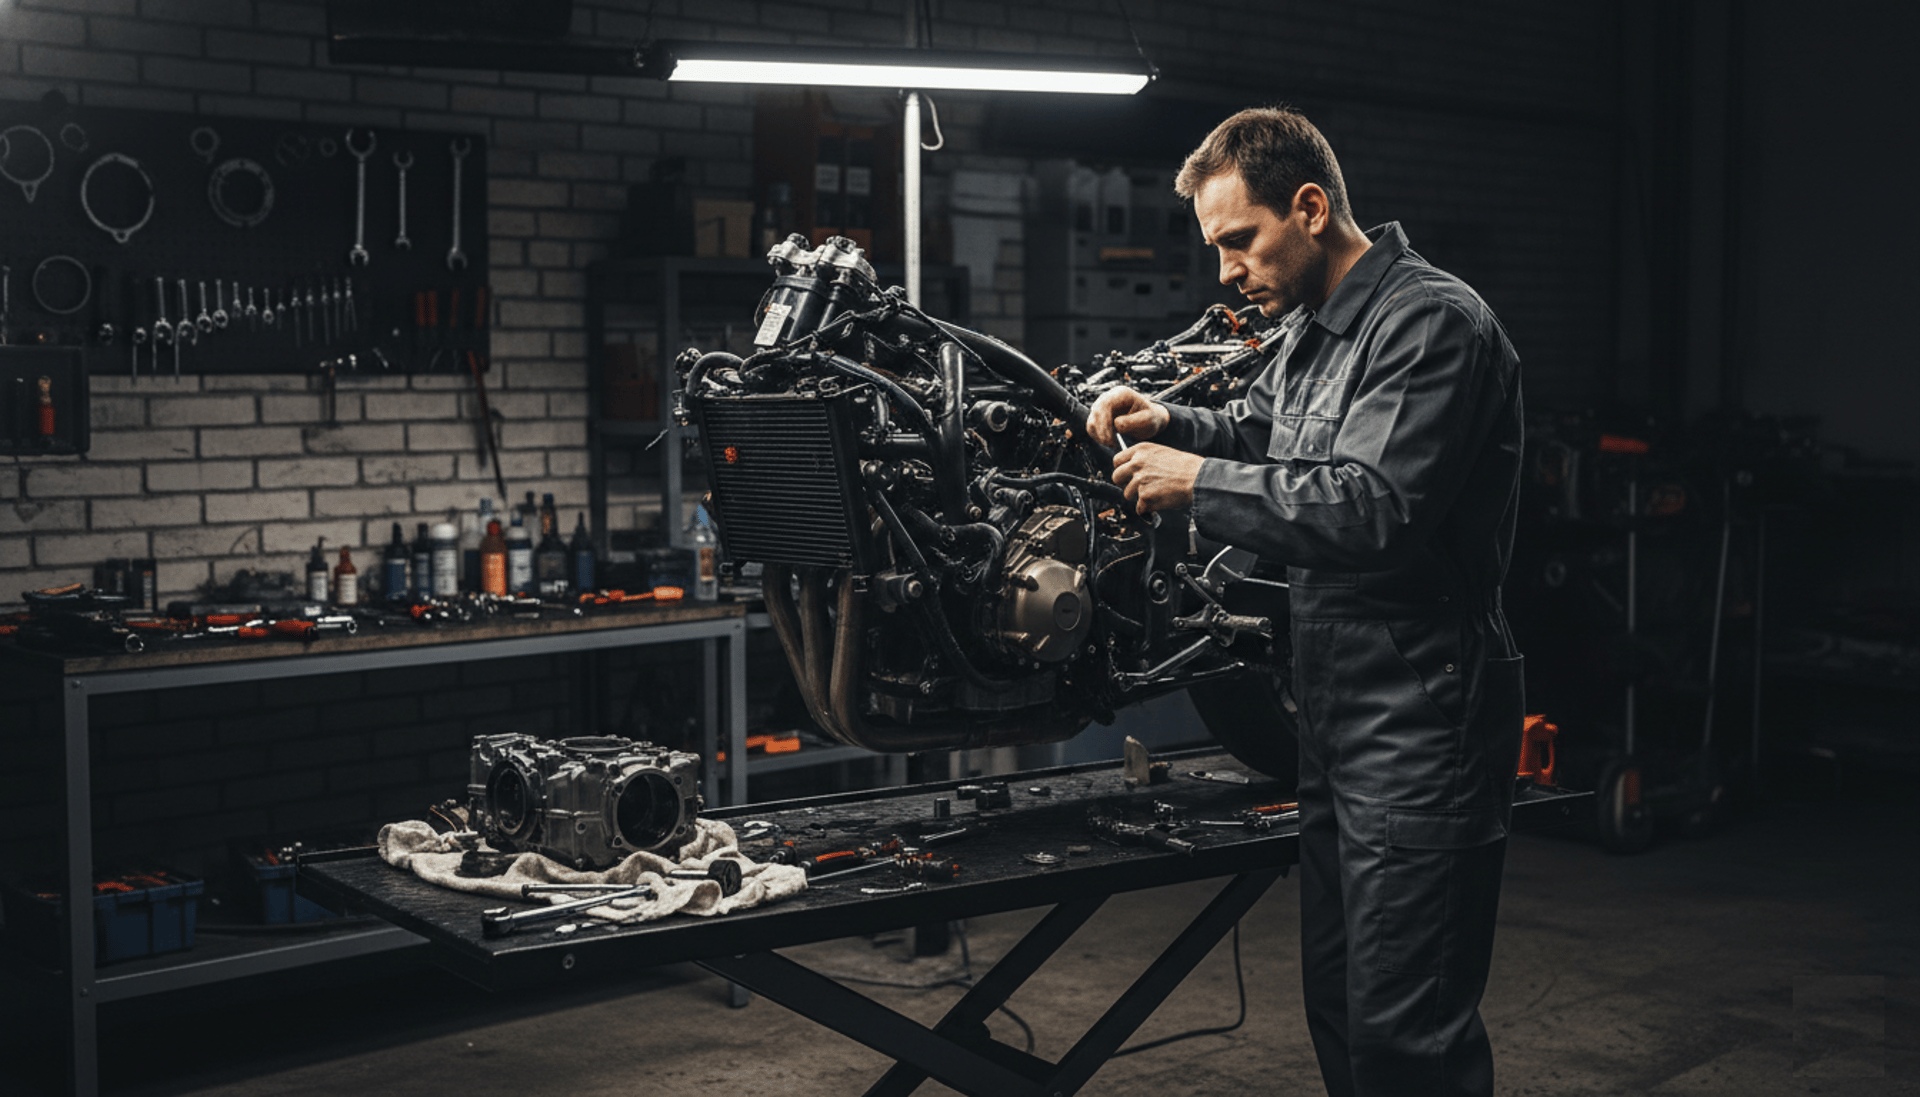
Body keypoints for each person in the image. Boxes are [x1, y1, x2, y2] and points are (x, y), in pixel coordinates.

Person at [1087, 107, 1526, 1097]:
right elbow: (1260, 430)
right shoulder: (1312, 331)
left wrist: (1193, 480)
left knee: (1407, 1033)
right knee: (1340, 999)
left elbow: (1375, 508)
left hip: (1421, 718)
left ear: (1311, 207)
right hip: (1335, 716)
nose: (1226, 270)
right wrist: (1171, 419)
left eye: (1239, 240)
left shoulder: (1432, 324)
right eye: (1216, 249)